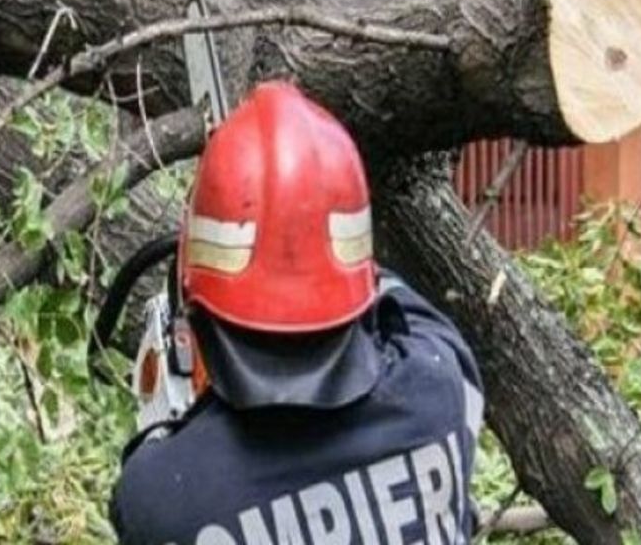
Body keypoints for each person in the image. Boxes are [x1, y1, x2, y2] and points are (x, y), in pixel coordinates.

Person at [110, 82, 483, 545]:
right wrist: (310, 239)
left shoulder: (158, 499)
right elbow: (387, 295)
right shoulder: (438, 389)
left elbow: (155, 485)